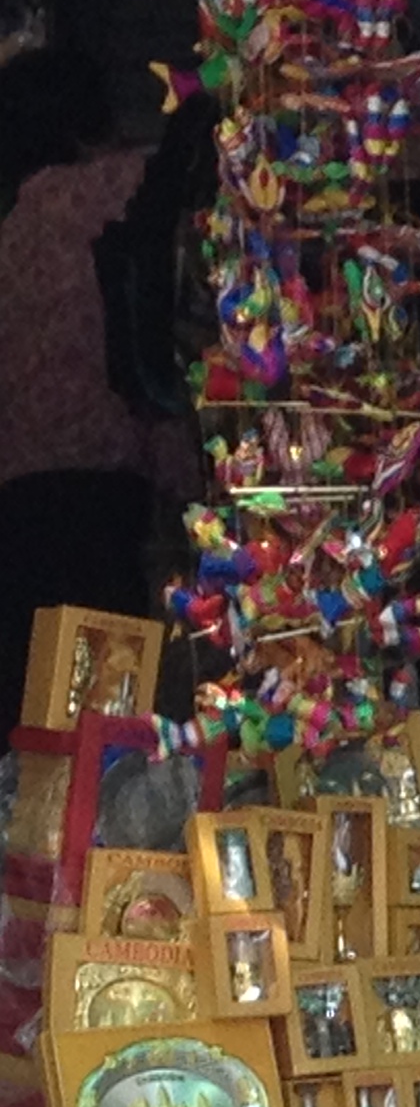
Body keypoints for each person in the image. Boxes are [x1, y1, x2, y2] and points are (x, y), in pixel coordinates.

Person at [0, 38, 194, 716]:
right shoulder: (114, 188)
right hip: (100, 480)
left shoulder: (14, 224)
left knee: (28, 701)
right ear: (87, 121)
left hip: (16, 494)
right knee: (102, 704)